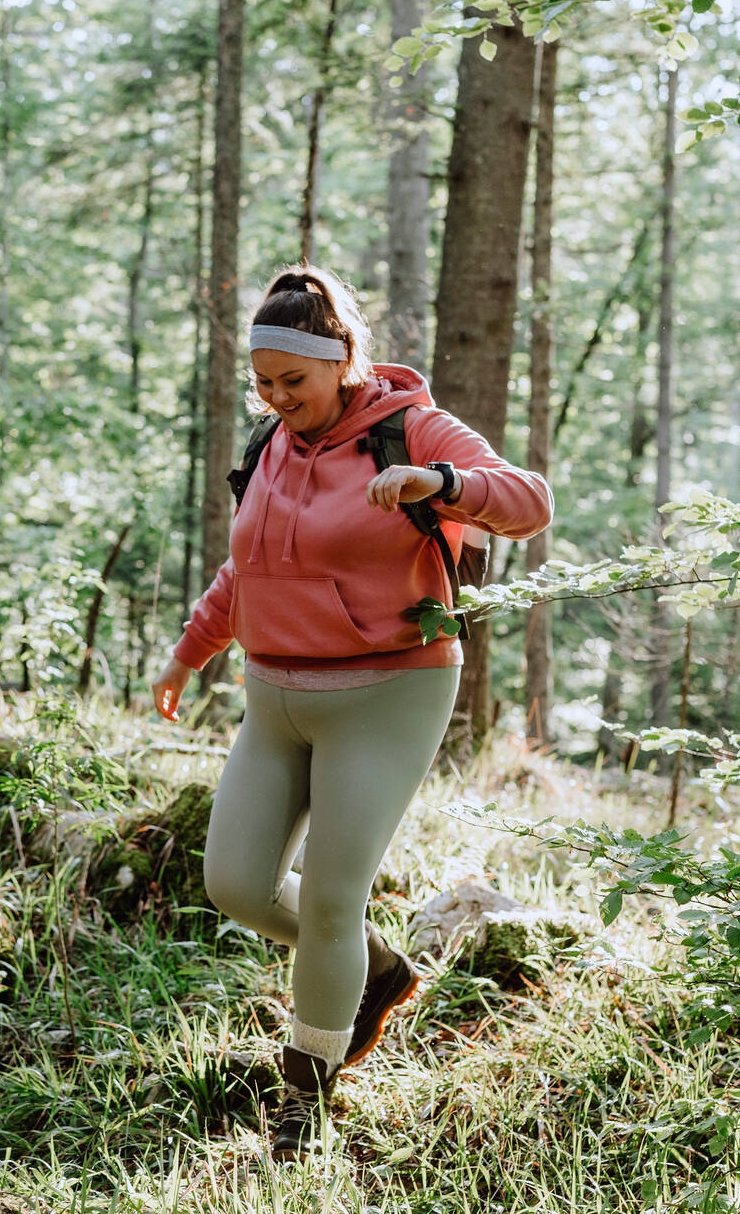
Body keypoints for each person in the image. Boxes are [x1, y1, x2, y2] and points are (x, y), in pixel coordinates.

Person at [152, 267, 552, 1160]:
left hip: (388, 690)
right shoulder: (270, 446)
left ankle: (302, 1108)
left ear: (342, 362)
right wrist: (189, 651)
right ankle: (375, 968)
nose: (277, 397)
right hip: (275, 694)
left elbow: (529, 500)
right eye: (263, 382)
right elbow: (247, 569)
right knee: (235, 885)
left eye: (293, 381)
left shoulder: (406, 424)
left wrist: (438, 481)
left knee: (333, 898)